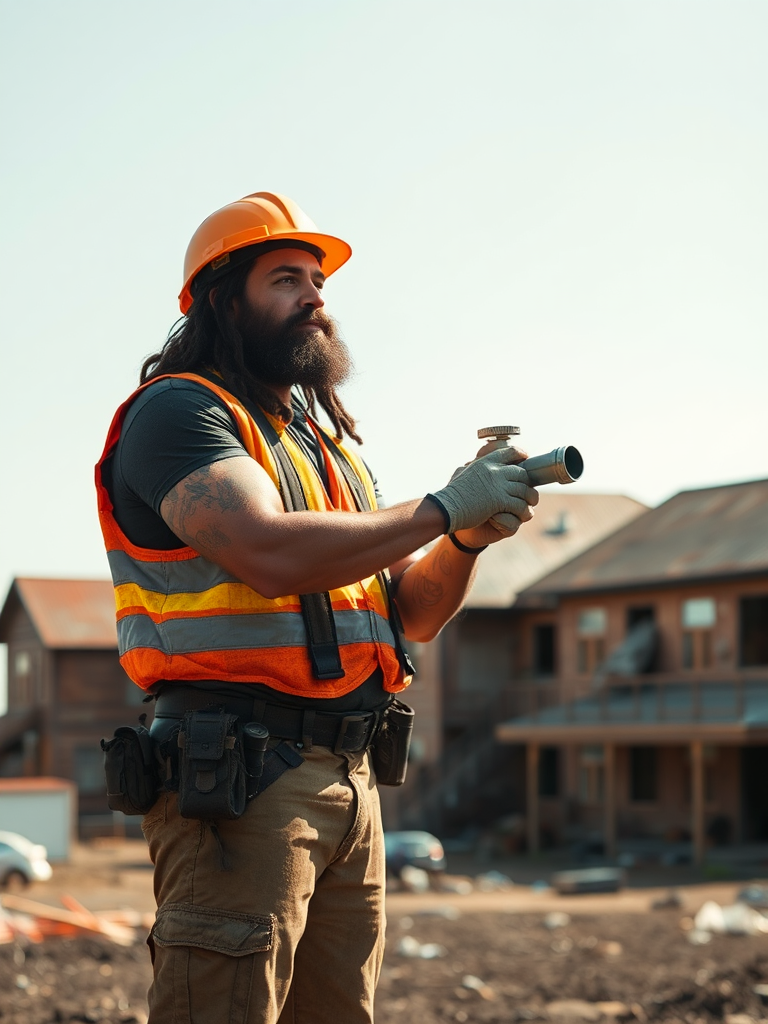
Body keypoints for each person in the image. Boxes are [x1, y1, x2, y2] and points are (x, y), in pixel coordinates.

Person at [95, 191, 538, 1024]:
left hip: (350, 780)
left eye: (319, 283)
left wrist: (467, 538)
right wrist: (444, 504)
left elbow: (408, 615)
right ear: (223, 300)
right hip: (239, 783)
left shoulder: (323, 443)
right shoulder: (181, 414)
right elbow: (266, 551)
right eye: (286, 279)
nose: (315, 299)